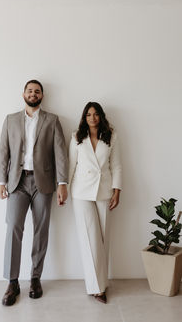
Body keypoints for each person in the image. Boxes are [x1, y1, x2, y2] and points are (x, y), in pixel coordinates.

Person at [0, 80, 68, 306]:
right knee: (14, 228)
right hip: (17, 182)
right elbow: (3, 152)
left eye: (37, 91)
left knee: (41, 230)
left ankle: (35, 278)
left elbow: (61, 154)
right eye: (30, 91)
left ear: (42, 95)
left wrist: (62, 183)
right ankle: (12, 281)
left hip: (43, 183)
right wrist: (1, 181)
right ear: (23, 94)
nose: (33, 94)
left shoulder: (52, 120)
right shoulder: (10, 120)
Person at [69, 102, 122, 304]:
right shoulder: (76, 136)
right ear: (84, 117)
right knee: (89, 238)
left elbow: (116, 165)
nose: (92, 118)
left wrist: (117, 190)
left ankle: (100, 282)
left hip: (104, 190)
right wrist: (62, 188)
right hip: (81, 192)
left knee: (103, 238)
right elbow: (71, 164)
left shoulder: (111, 135)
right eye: (89, 114)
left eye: (96, 114)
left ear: (101, 116)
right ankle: (97, 288)